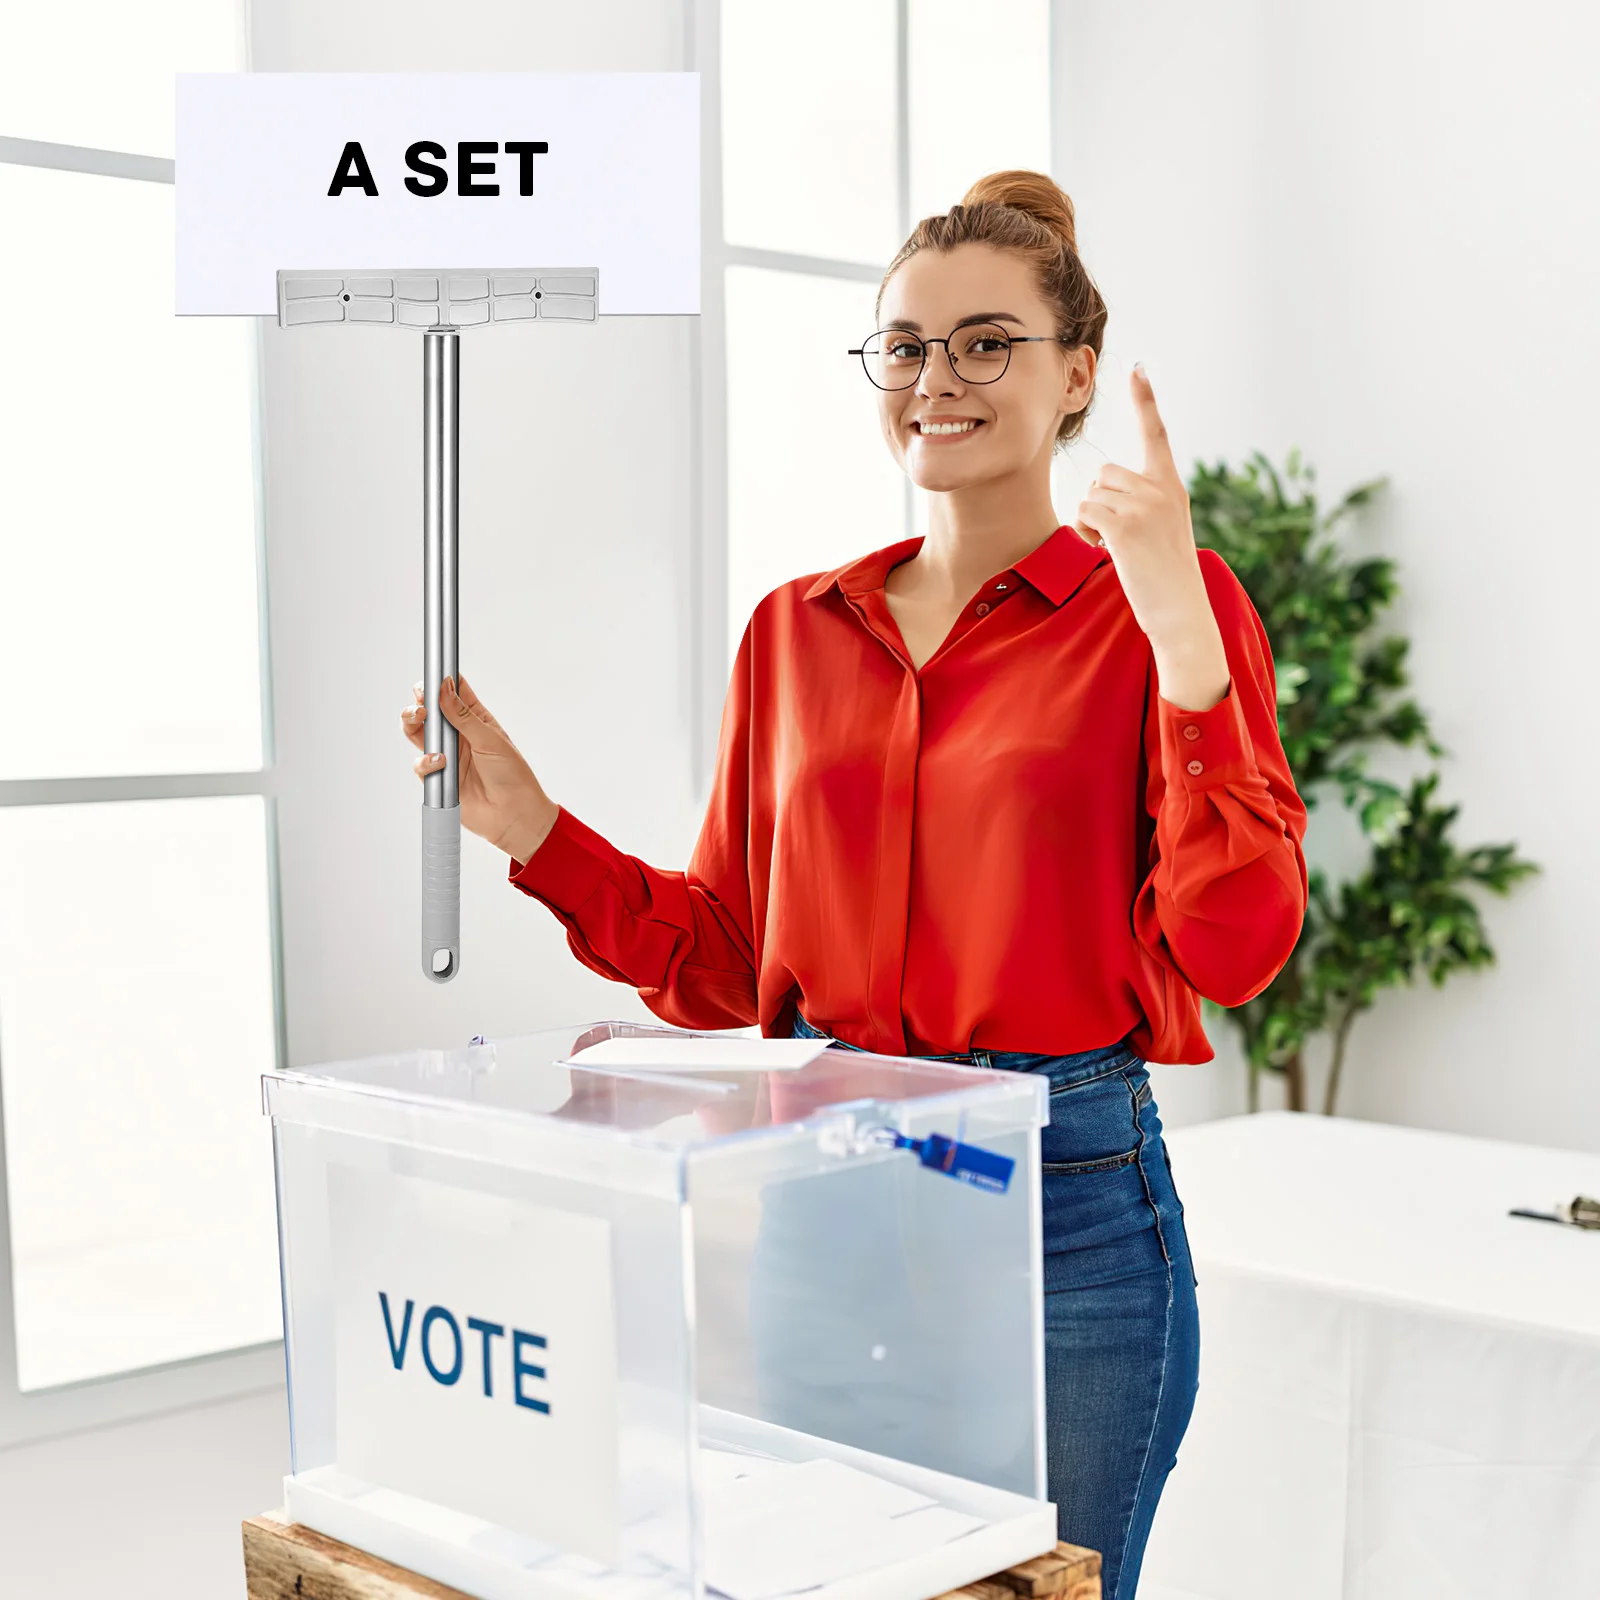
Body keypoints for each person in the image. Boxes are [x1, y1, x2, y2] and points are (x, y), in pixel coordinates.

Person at [399, 169, 1308, 1599]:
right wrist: (534, 832)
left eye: (987, 342)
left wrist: (1188, 646)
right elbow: (719, 958)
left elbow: (1238, 944)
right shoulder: (793, 633)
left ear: (1077, 374)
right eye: (907, 346)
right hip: (824, 1193)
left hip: (1062, 1206)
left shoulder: (1162, 616)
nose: (937, 380)